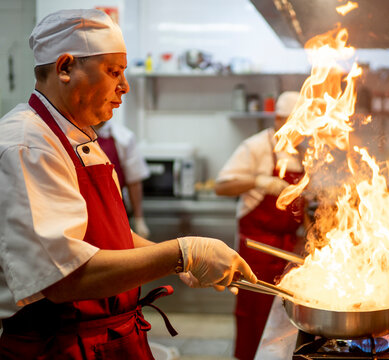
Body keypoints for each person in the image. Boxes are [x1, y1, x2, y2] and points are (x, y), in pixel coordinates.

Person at [0, 9, 256, 360]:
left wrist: (181, 262)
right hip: (59, 346)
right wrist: (181, 253)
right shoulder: (28, 145)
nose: (125, 86)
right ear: (65, 68)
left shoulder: (80, 139)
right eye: (113, 72)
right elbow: (64, 279)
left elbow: (108, 238)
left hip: (107, 338)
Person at [215, 91, 306, 360]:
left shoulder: (300, 151)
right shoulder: (254, 146)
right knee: (255, 313)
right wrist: (259, 181)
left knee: (284, 317)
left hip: (289, 246)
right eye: (296, 123)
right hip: (257, 246)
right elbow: (222, 186)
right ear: (279, 119)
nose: (301, 131)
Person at [94, 120, 151, 238]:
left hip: (116, 213)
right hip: (84, 212)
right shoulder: (75, 133)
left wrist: (138, 219)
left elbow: (134, 181)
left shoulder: (123, 137)